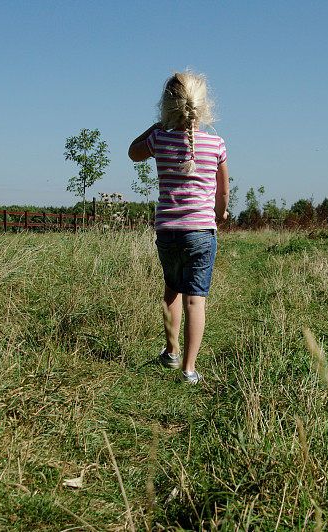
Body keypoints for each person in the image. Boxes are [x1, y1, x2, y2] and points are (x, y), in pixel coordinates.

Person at [128, 70, 229, 384]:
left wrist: (158, 126)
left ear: (167, 105)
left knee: (171, 291)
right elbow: (223, 190)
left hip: (168, 231)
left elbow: (133, 152)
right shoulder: (216, 143)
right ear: (203, 104)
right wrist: (220, 213)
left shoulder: (160, 138)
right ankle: (189, 369)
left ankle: (170, 351)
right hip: (201, 233)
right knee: (195, 300)